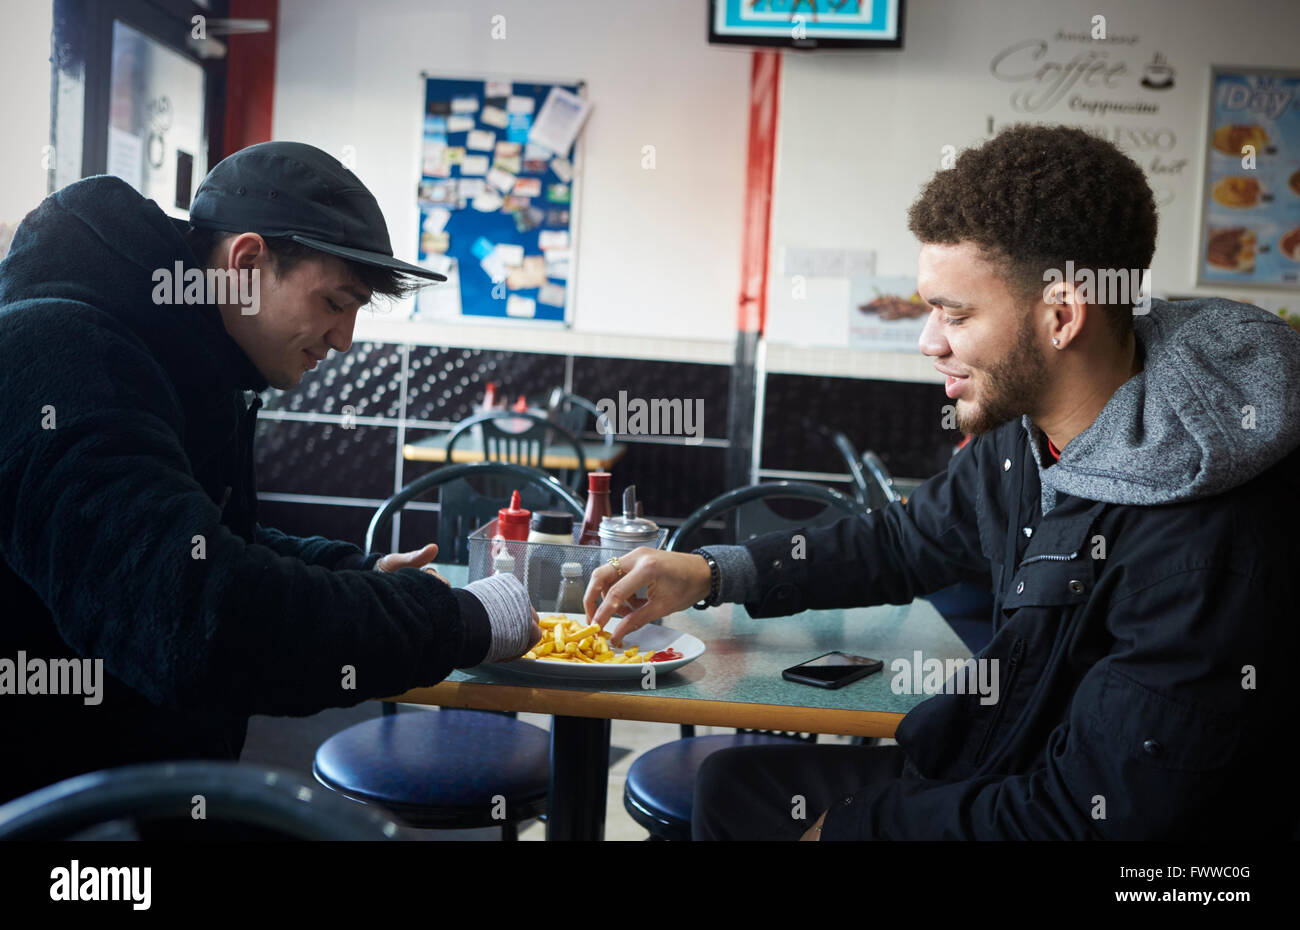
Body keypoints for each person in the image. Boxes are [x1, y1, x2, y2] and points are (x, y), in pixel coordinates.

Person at [583, 124, 1300, 840]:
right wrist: (709, 571)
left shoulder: (1209, 544)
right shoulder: (1027, 431)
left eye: (955, 314)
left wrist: (852, 830)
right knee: (735, 788)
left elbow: (1088, 818)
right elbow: (902, 541)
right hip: (1004, 763)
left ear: (1062, 316)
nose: (928, 341)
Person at [0, 141, 538, 806]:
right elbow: (197, 619)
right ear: (247, 262)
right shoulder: (67, 358)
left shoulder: (193, 355)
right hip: (54, 814)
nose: (344, 339)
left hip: (134, 784)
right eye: (335, 302)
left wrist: (357, 575)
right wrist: (455, 620)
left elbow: (221, 539)